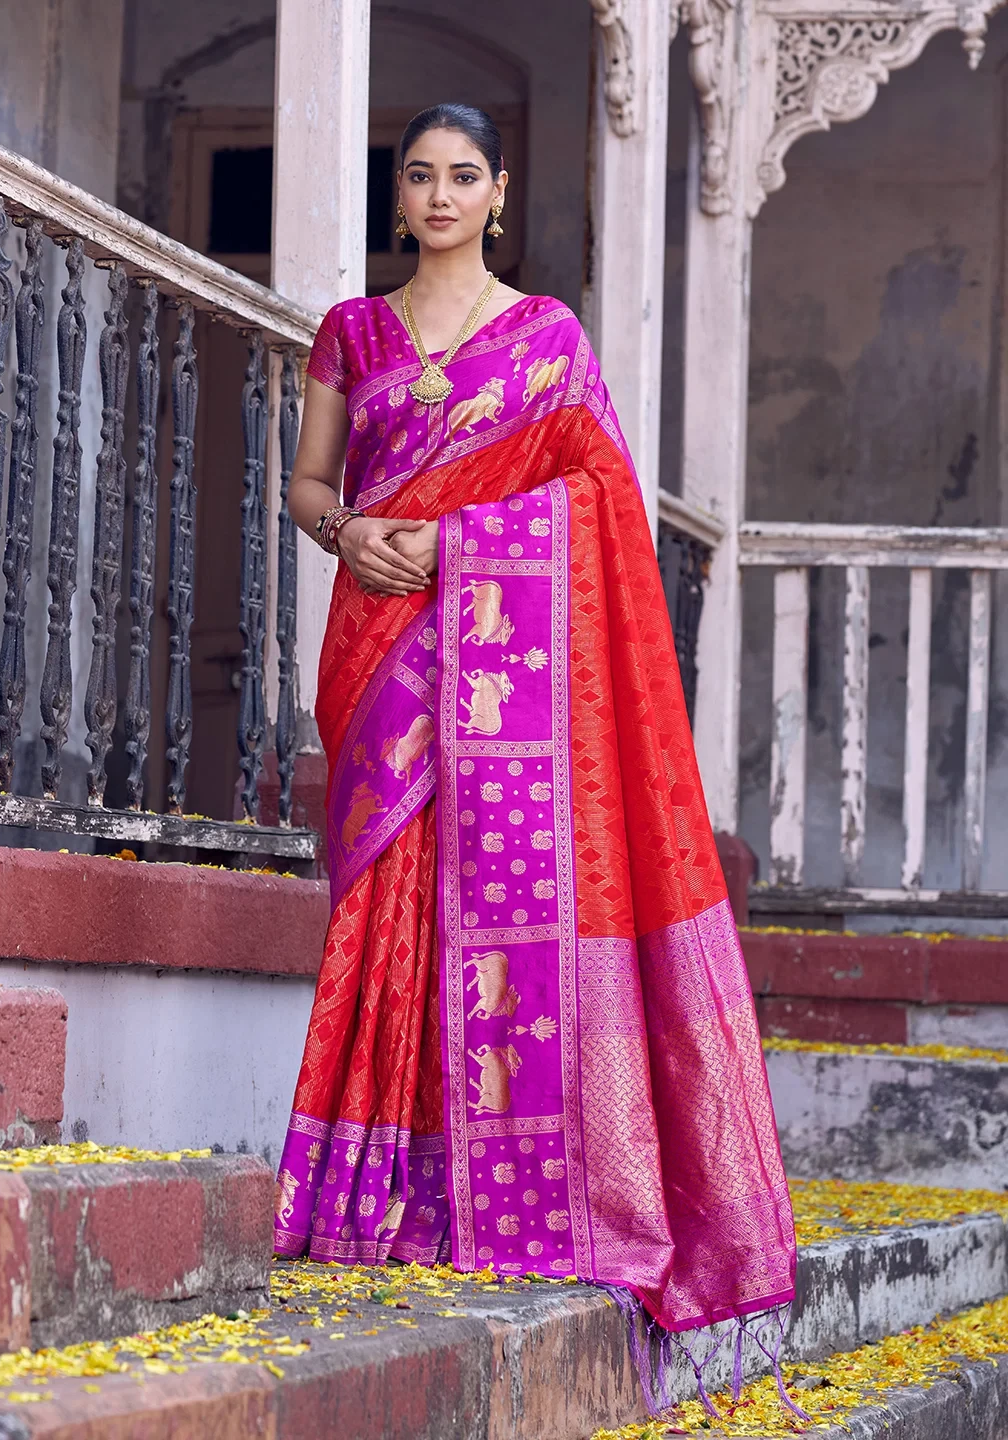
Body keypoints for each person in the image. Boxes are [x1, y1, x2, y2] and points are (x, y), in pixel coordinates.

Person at [276, 102, 796, 1347]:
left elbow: (599, 496)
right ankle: (374, 1192)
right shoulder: (352, 331)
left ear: (497, 192)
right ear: (398, 194)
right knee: (387, 900)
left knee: (493, 900)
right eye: (420, 175)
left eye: (464, 175)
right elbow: (309, 481)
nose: (440, 194)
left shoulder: (547, 339)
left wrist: (459, 544)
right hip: (378, 641)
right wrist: (349, 531)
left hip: (501, 661)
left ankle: (504, 1191)